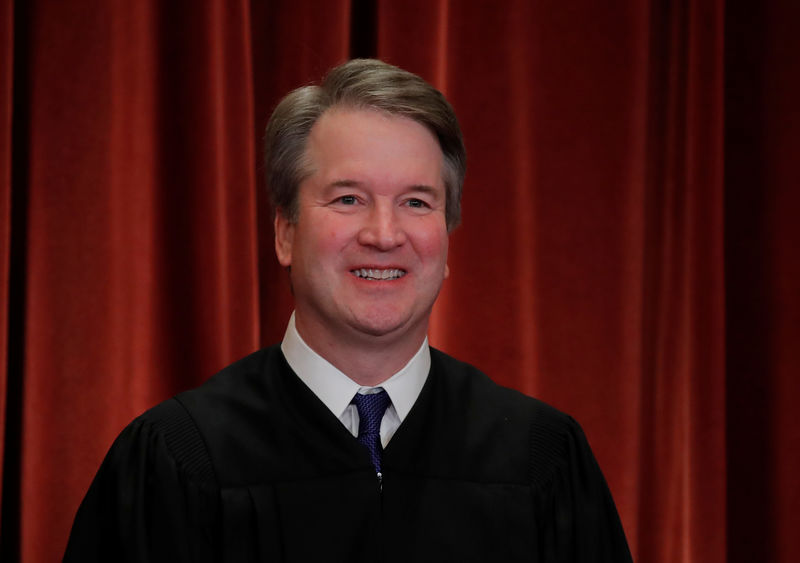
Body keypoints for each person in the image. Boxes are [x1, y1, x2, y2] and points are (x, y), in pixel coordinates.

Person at [65, 59, 632, 562]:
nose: (384, 235)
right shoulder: (178, 460)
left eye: (416, 202)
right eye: (348, 199)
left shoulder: (541, 460)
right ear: (285, 232)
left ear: (447, 236)